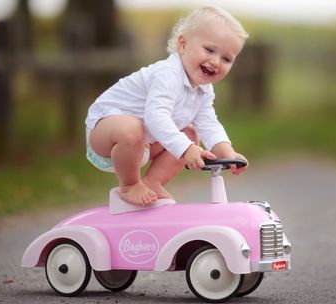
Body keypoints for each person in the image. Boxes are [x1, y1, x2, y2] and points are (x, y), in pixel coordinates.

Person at [85, 6, 248, 206]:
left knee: (190, 134)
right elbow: (155, 116)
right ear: (183, 44)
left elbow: (208, 123)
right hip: (105, 135)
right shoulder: (168, 74)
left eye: (226, 58)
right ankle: (129, 185)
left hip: (142, 144)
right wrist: (186, 150)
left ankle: (153, 181)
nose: (215, 61)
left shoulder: (204, 90)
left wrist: (227, 152)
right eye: (209, 50)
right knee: (134, 128)